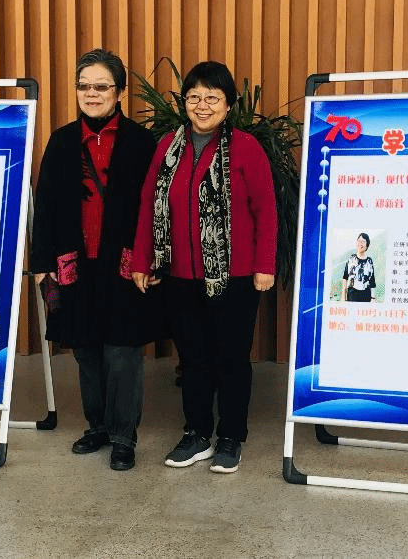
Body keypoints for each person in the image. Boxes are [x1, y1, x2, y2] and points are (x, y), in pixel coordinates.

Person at [132, 61, 277, 474]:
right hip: (179, 274)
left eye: (212, 97)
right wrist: (143, 258)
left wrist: (264, 265)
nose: (202, 105)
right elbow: (149, 204)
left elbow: (265, 210)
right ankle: (196, 433)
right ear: (184, 102)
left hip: (235, 275)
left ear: (228, 105)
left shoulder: (246, 147)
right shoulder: (168, 146)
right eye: (194, 96)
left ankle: (231, 437)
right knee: (193, 359)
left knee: (231, 358)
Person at [31, 48, 159, 471]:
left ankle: (124, 436)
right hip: (73, 263)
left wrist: (152, 260)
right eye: (84, 86)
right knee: (85, 347)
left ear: (119, 92)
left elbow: (156, 208)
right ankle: (97, 426)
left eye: (101, 86)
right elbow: (45, 204)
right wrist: (41, 261)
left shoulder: (140, 142)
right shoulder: (62, 141)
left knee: (122, 350)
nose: (91, 94)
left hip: (124, 262)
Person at [341, 232, 376, 302]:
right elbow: (345, 278)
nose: (360, 244)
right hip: (352, 295)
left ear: (367, 245)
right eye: (359, 241)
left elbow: (372, 282)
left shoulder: (369, 261)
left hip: (366, 296)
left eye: (363, 242)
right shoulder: (351, 259)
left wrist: (373, 298)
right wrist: (343, 297)